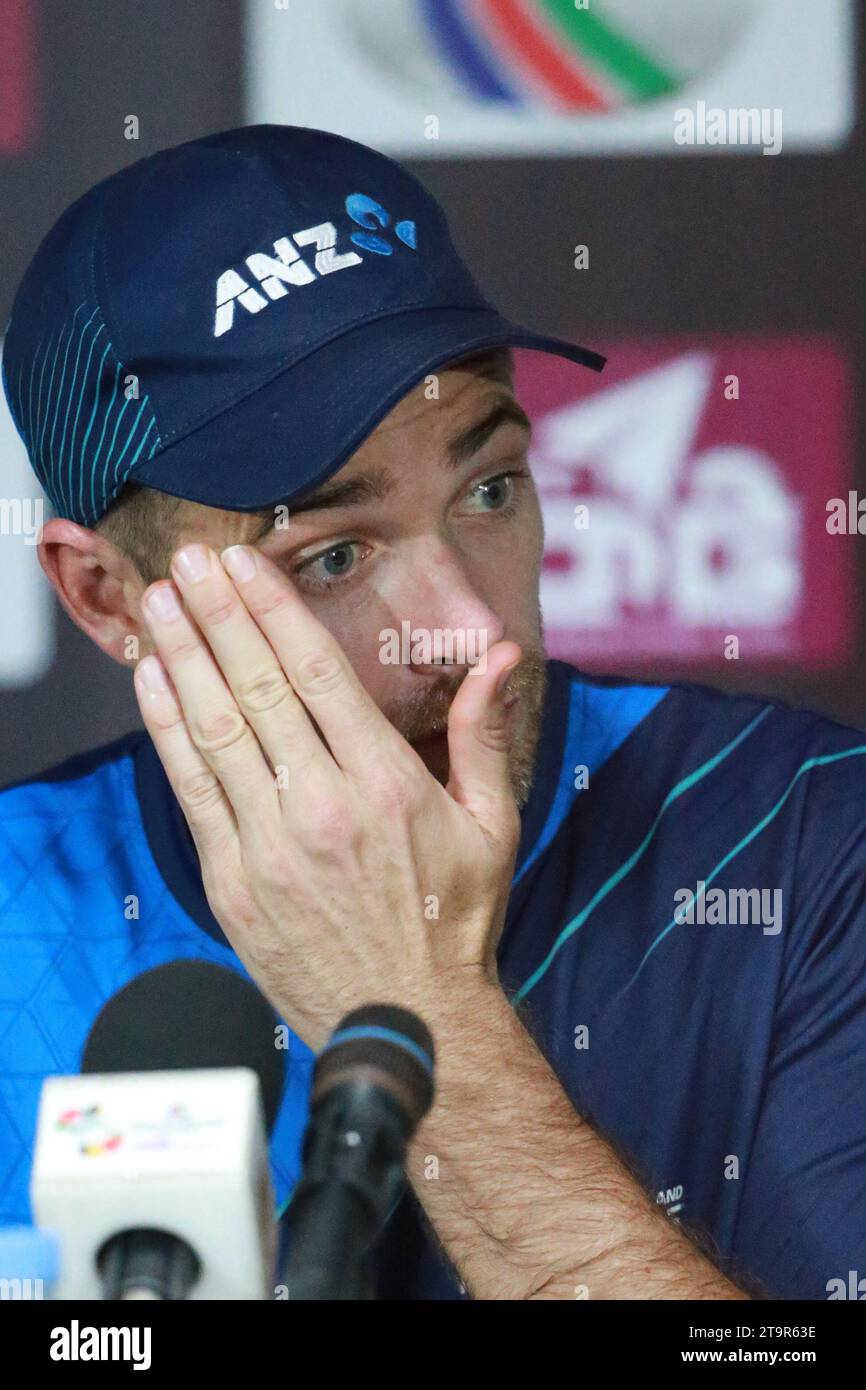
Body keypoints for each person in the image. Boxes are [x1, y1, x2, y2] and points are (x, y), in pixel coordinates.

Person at [1, 125, 864, 1301]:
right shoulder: (18, 916)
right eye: (334, 556)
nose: (467, 631)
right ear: (107, 597)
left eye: (488, 488)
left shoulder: (801, 840)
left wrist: (422, 1009)